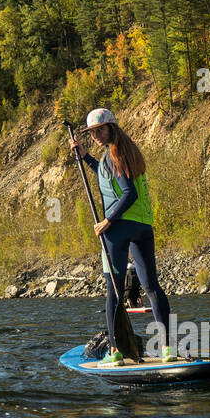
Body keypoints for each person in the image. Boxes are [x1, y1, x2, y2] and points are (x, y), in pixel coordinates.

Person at [69, 107, 174, 363]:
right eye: (92, 133)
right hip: (143, 226)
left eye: (99, 130)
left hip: (118, 227)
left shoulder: (114, 154)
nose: (95, 136)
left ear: (111, 128)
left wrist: (107, 221)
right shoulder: (127, 151)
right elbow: (109, 179)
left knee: (113, 292)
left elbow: (129, 194)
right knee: (151, 286)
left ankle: (115, 352)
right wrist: (86, 158)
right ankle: (168, 349)